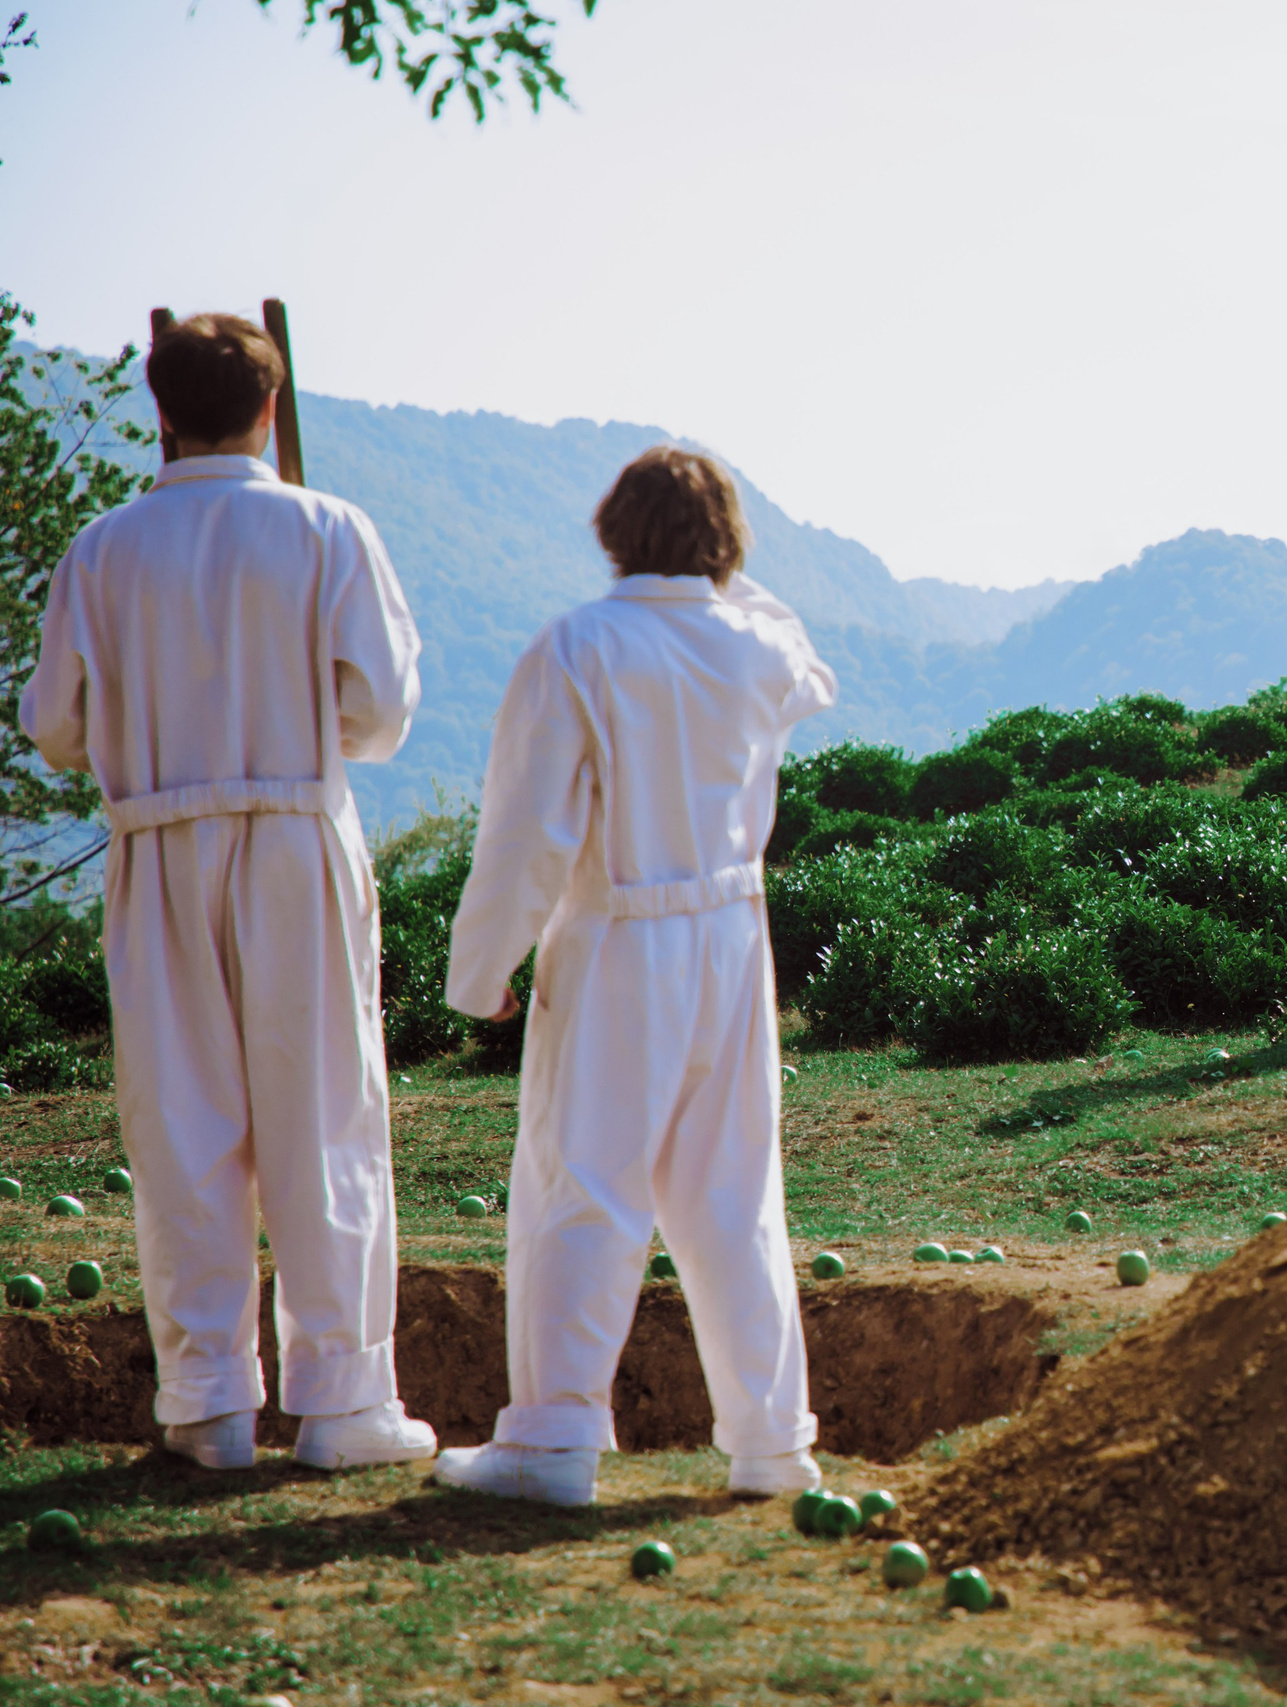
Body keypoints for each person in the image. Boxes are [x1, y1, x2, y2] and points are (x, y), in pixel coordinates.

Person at [23, 312, 436, 1471]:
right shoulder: (327, 528)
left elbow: (53, 727)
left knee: (182, 1121)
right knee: (322, 1114)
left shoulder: (103, 549)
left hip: (157, 843)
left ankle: (207, 1404)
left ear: (159, 410)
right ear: (271, 407)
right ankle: (344, 1402)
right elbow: (382, 715)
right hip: (296, 832)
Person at [433, 446, 838, 1506]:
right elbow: (798, 646)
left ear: (610, 532)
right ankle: (770, 1442)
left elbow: (525, 835)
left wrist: (482, 970)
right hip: (732, 938)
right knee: (734, 1190)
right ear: (727, 547)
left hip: (617, 937)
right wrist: (721, 566)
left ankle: (556, 1438)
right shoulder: (756, 645)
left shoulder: (580, 646)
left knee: (585, 1185)